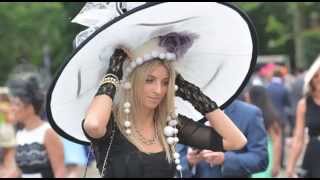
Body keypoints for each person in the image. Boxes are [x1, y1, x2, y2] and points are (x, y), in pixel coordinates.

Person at [46, 2, 258, 178]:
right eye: (150, 80)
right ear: (132, 81)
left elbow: (236, 141)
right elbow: (92, 125)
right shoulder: (110, 124)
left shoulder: (170, 124)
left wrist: (194, 94)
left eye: (166, 82)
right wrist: (114, 71)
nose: (158, 90)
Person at [177, 99, 268, 178]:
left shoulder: (249, 113)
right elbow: (172, 163)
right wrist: (189, 162)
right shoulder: (186, 113)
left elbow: (260, 159)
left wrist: (225, 159)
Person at [7, 71, 65, 178]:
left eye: (17, 104)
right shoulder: (20, 134)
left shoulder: (47, 132)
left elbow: (60, 171)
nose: (12, 108)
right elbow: (19, 171)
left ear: (30, 106)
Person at [286, 56, 320, 178]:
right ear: (311, 80)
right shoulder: (304, 104)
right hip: (314, 155)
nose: (319, 79)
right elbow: (298, 138)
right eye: (316, 76)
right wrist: (290, 167)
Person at [247, 85, 283, 177]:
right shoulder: (270, 116)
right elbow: (277, 141)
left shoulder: (265, 117)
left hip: (263, 156)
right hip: (265, 154)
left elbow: (277, 142)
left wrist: (276, 164)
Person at [0, 87, 18, 178]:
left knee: (4, 152)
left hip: (1, 128)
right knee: (10, 152)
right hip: (7, 129)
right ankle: (8, 171)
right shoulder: (7, 106)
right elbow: (11, 120)